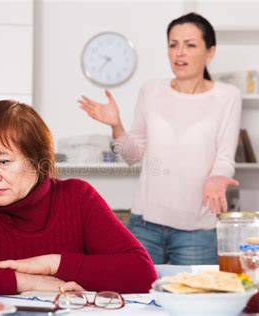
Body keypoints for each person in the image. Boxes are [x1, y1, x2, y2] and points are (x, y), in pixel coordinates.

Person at [0, 100, 157, 296]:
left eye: (3, 162)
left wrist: (52, 264)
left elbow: (142, 273)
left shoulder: (78, 198)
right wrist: (26, 281)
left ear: (38, 161)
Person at [78, 13, 242, 265]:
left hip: (197, 232)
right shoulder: (151, 90)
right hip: (145, 226)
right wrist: (116, 126)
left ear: (210, 52)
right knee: (136, 300)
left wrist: (218, 177)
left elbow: (224, 156)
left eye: (190, 45)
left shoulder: (227, 96)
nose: (179, 53)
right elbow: (132, 156)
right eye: (173, 44)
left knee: (194, 302)